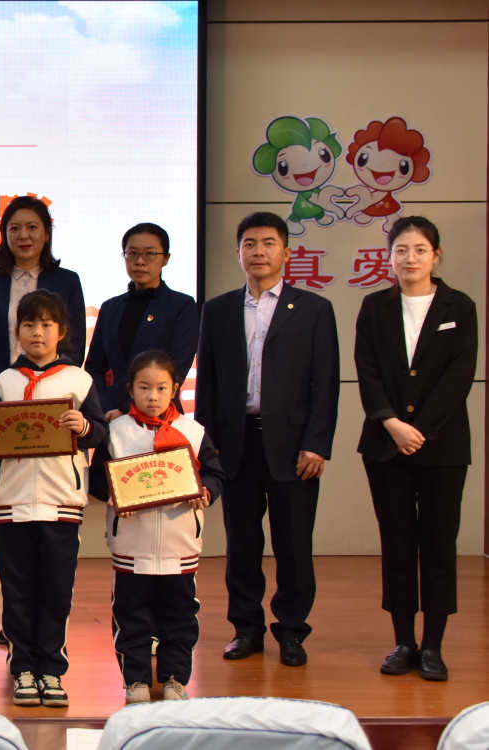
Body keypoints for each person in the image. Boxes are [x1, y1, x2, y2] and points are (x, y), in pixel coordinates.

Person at [195, 211, 338, 668]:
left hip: (294, 447)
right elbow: (208, 384)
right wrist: (206, 447)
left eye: (268, 243)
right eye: (250, 244)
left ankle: (292, 631)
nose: (259, 252)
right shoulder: (218, 310)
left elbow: (325, 383)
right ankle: (246, 629)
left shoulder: (313, 309)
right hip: (235, 444)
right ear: (238, 253)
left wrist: (317, 444)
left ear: (286, 252)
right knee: (242, 544)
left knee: (293, 545)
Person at [354, 216, 476, 682]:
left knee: (440, 544)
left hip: (443, 447)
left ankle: (433, 646)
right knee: (398, 543)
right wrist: (392, 424)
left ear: (436, 256)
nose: (410, 258)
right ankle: (403, 641)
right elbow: (367, 371)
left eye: (420, 250)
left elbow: (459, 377)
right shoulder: (374, 307)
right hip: (385, 446)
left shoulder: (459, 307)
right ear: (389, 257)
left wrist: (417, 430)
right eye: (401, 250)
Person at [0, 290, 107, 708]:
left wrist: (83, 426)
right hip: (13, 503)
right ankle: (23, 668)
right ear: (17, 331)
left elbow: (100, 432)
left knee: (55, 590)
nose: (37, 332)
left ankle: (51, 668)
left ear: (62, 332)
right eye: (29, 324)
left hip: (61, 501)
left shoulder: (79, 381)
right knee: (16, 590)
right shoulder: (4, 382)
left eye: (47, 324)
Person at [88, 350, 223, 703]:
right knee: (131, 617)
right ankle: (135, 680)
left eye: (161, 388)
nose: (153, 397)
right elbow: (98, 481)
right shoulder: (116, 432)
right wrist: (115, 495)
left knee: (180, 617)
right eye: (144, 387)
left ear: (175, 389)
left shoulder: (193, 432)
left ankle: (175, 679)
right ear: (130, 389)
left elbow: (214, 473)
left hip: (180, 547)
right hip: (132, 547)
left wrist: (206, 491)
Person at [0, 196, 87, 392]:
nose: (23, 236)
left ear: (47, 233)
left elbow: (75, 345)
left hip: (53, 392)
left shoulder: (67, 281)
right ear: (5, 234)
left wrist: (53, 385)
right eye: (14, 229)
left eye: (32, 227)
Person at [84, 223, 199, 419]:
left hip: (160, 416)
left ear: (166, 259)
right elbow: (94, 367)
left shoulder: (182, 305)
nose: (139, 261)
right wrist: (105, 407)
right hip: (112, 417)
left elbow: (177, 368)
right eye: (132, 253)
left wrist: (127, 408)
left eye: (150, 254)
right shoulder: (110, 307)